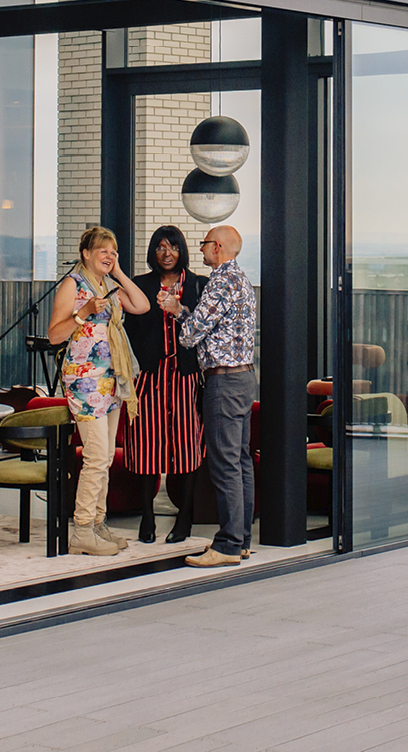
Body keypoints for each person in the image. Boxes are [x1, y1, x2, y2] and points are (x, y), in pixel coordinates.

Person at [46, 226, 150, 557]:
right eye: (103, 251)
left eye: (114, 251)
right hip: (85, 381)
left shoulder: (109, 286)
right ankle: (81, 530)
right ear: (86, 254)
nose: (109, 256)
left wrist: (118, 272)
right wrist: (84, 312)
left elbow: (142, 305)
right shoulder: (72, 285)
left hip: (112, 379)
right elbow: (54, 335)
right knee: (94, 456)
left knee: (104, 457)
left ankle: (97, 524)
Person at [178, 225, 257, 568]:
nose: (201, 250)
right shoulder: (242, 280)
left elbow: (191, 335)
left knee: (224, 464)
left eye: (204, 244)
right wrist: (184, 311)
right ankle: (241, 540)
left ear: (219, 246)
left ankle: (226, 544)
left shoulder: (219, 281)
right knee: (240, 462)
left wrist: (177, 313)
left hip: (222, 382)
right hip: (244, 377)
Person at [123, 226, 205, 544]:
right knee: (147, 447)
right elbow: (126, 331)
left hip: (185, 377)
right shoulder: (139, 285)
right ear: (152, 253)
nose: (166, 253)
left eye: (172, 247)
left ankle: (185, 518)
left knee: (186, 447)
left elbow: (206, 328)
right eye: (160, 247)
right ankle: (147, 517)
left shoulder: (199, 285)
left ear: (181, 251)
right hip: (149, 377)